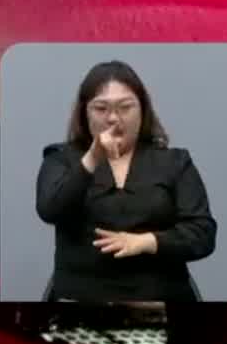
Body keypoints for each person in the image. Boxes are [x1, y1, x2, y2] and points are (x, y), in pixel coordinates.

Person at [34, 60, 216, 302]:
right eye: (101, 109)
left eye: (125, 107)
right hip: (79, 303)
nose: (113, 119)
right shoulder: (61, 159)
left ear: (142, 110)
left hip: (162, 301)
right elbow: (50, 210)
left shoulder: (175, 162)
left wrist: (146, 242)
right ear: (84, 112)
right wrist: (92, 158)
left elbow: (202, 234)